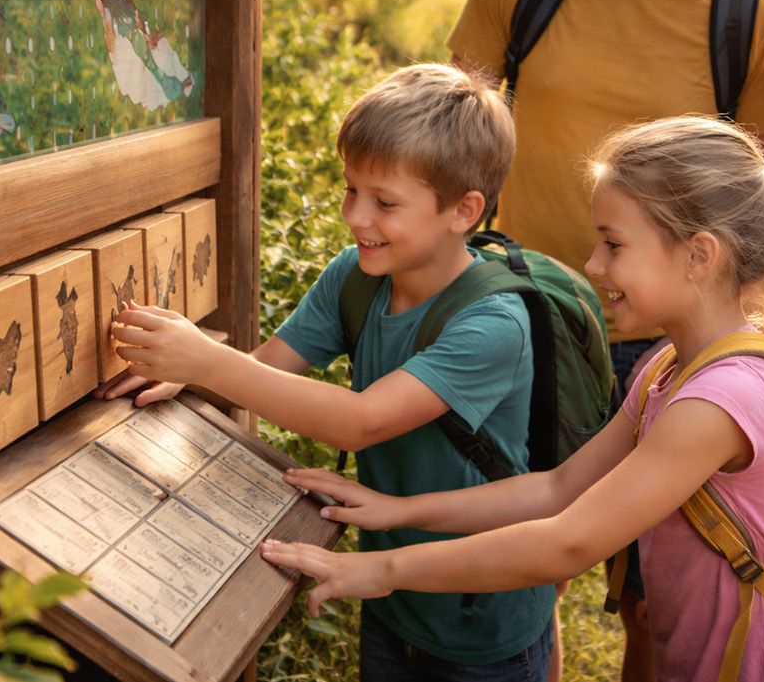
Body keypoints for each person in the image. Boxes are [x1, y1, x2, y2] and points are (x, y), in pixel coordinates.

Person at [261, 115, 764, 682]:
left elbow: (569, 541)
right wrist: (396, 510)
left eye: (614, 244)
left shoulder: (724, 398)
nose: (593, 265)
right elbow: (557, 488)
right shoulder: (671, 368)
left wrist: (383, 570)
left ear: (699, 256)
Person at [447, 0, 764, 675]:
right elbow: (449, 145)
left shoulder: (751, 12)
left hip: (666, 340)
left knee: (657, 596)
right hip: (518, 318)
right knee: (518, 569)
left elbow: (751, 205)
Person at [104, 64, 556, 682]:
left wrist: (209, 360)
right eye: (351, 190)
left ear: (463, 210)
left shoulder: (492, 324)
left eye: (385, 202)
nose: (356, 216)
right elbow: (266, 370)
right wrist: (187, 372)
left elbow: (361, 423)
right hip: (385, 594)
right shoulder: (355, 277)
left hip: (480, 618)